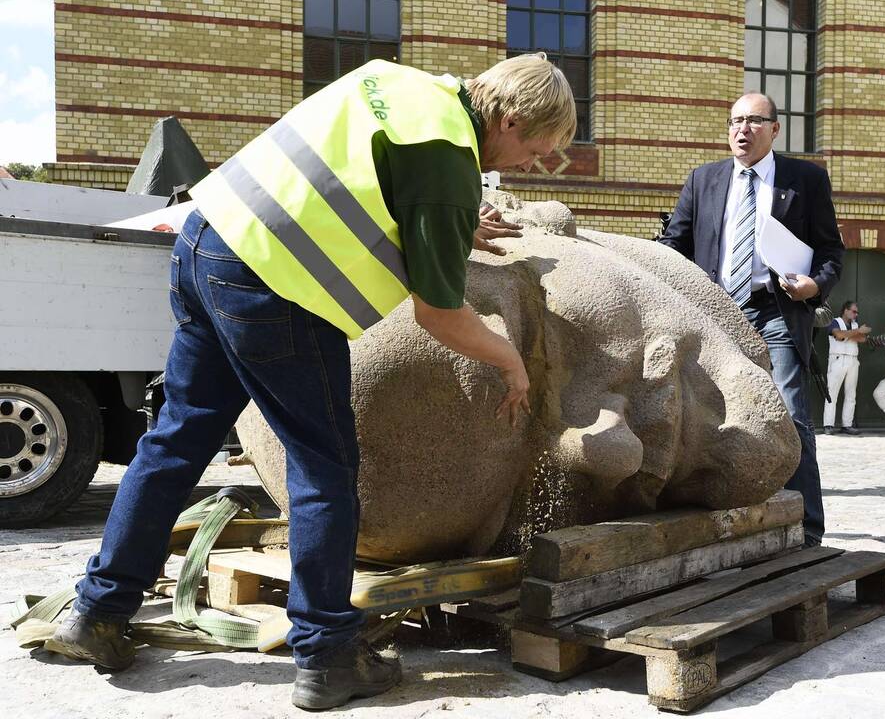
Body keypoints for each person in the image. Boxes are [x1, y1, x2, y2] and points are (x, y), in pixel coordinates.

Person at [47, 54, 577, 710]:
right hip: (274, 286)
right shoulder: (446, 157)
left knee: (176, 441)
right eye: (535, 148)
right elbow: (439, 314)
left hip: (207, 242)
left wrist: (458, 217)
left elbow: (353, 185)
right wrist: (509, 359)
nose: (529, 163)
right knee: (324, 465)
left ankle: (96, 615)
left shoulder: (401, 86)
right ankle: (328, 654)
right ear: (511, 116)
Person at [659, 92, 844, 547]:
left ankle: (806, 529)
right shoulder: (704, 180)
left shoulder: (806, 179)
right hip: (714, 313)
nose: (742, 130)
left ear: (775, 129)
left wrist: (815, 285)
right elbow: (674, 245)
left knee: (791, 414)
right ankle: (721, 525)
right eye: (735, 121)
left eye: (755, 121)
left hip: (774, 310)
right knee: (709, 418)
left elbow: (831, 251)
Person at [823, 300, 869, 435]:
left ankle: (847, 425)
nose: (856, 314)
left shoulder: (854, 324)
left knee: (851, 395)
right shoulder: (835, 321)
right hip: (838, 359)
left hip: (853, 360)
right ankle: (828, 425)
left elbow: (862, 339)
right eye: (854, 311)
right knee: (832, 393)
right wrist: (856, 332)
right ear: (846, 310)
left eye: (857, 312)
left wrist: (850, 334)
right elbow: (838, 335)